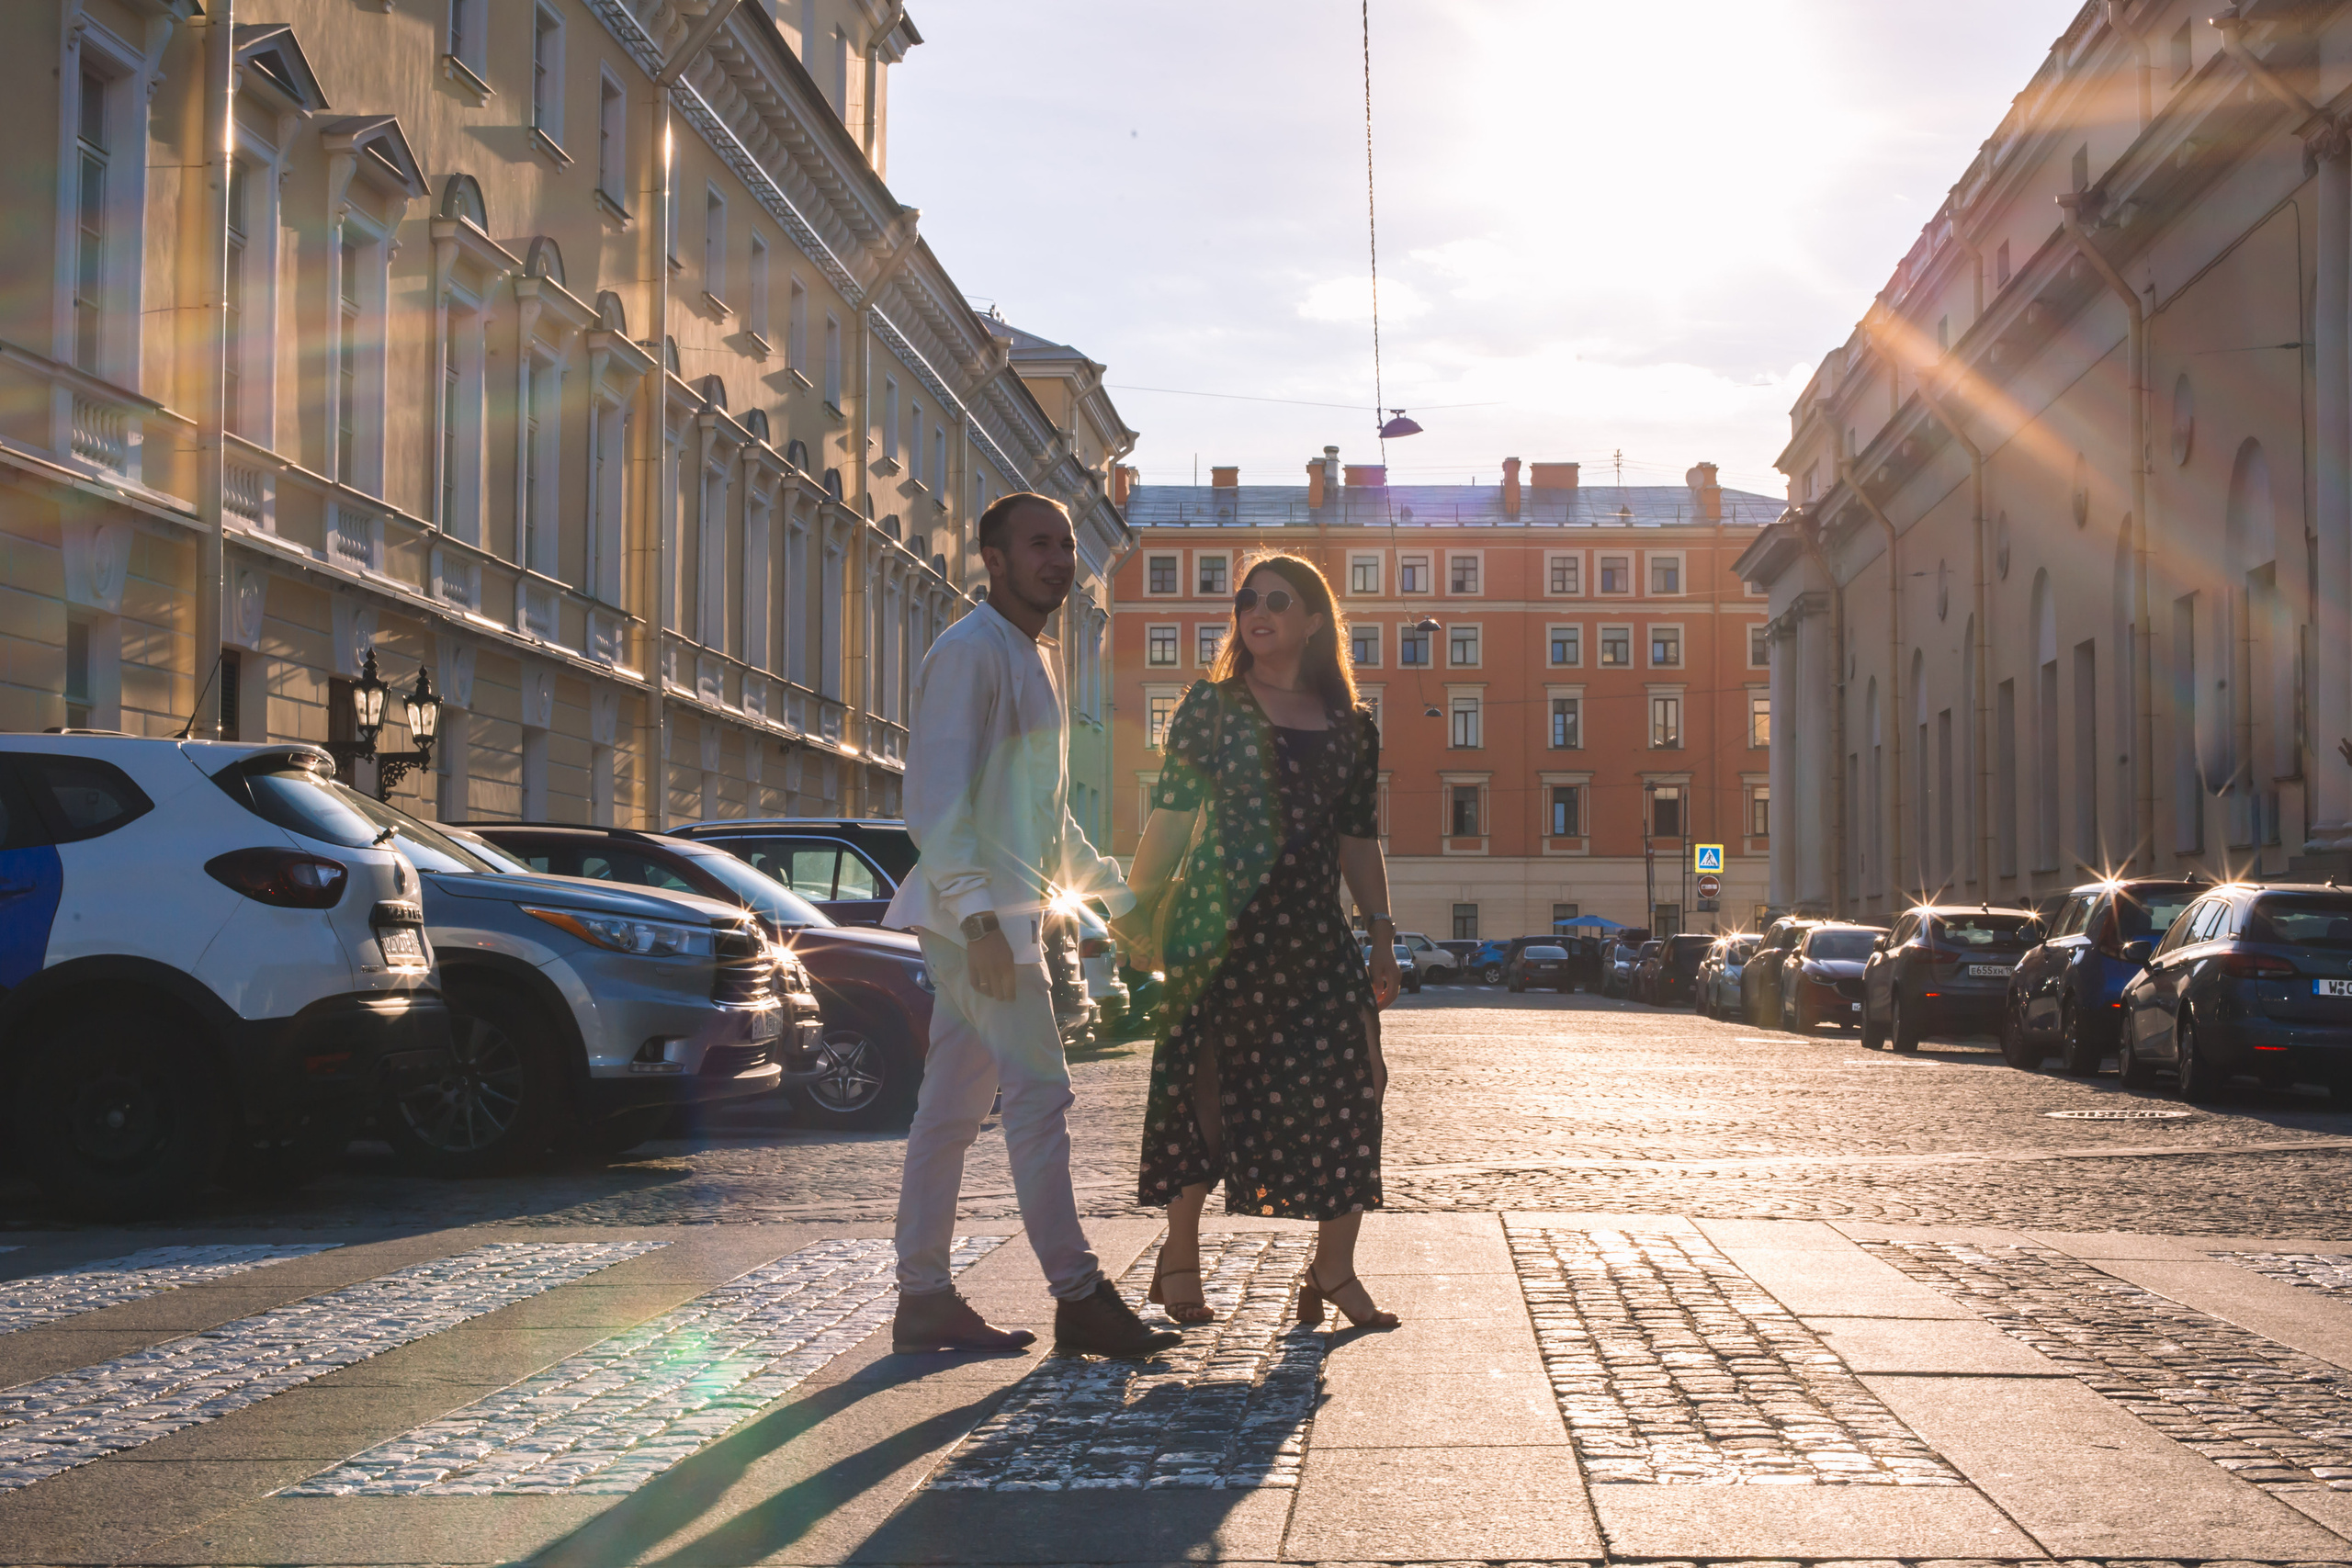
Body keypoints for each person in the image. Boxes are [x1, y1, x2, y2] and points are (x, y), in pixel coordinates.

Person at [887, 492, 1181, 1359]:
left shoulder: (1032, 656)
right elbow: (933, 803)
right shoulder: (969, 652)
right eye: (1039, 544)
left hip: (999, 916)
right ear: (993, 558)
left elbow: (1050, 823)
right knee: (1039, 1100)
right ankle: (1078, 1292)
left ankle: (924, 1295)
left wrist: (1116, 901)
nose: (1059, 559)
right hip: (982, 923)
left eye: (1068, 545)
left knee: (948, 1111)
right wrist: (980, 919)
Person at [1125, 553, 1402, 1332]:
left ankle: (1333, 1267)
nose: (1259, 611)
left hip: (1313, 932)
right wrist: (1137, 911)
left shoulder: (1352, 727)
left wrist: (1381, 934)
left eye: (1279, 600)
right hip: (1219, 926)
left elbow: (1357, 840)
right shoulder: (1210, 708)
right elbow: (1172, 817)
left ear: (1315, 621)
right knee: (1206, 1091)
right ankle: (1180, 1254)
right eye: (1249, 600)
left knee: (1360, 1080)